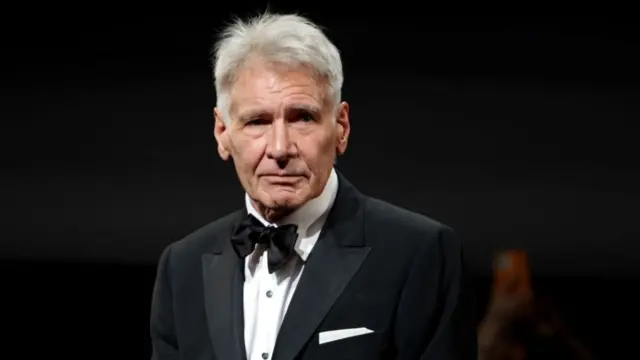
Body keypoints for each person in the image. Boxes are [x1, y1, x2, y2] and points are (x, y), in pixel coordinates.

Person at [149, 12, 476, 360]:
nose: (279, 148)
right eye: (257, 122)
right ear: (222, 133)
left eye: (302, 117)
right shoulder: (181, 266)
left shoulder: (419, 254)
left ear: (341, 127)